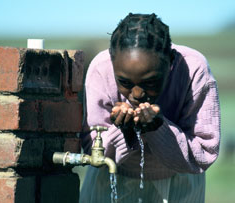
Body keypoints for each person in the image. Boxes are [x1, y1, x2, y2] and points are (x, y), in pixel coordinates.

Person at [79, 13, 221, 203]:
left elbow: (204, 153)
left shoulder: (194, 70)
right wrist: (124, 131)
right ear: (112, 61)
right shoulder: (100, 69)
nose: (137, 94)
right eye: (125, 82)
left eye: (151, 82)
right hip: (111, 180)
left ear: (170, 61)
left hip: (179, 186)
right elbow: (92, 152)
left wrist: (160, 129)